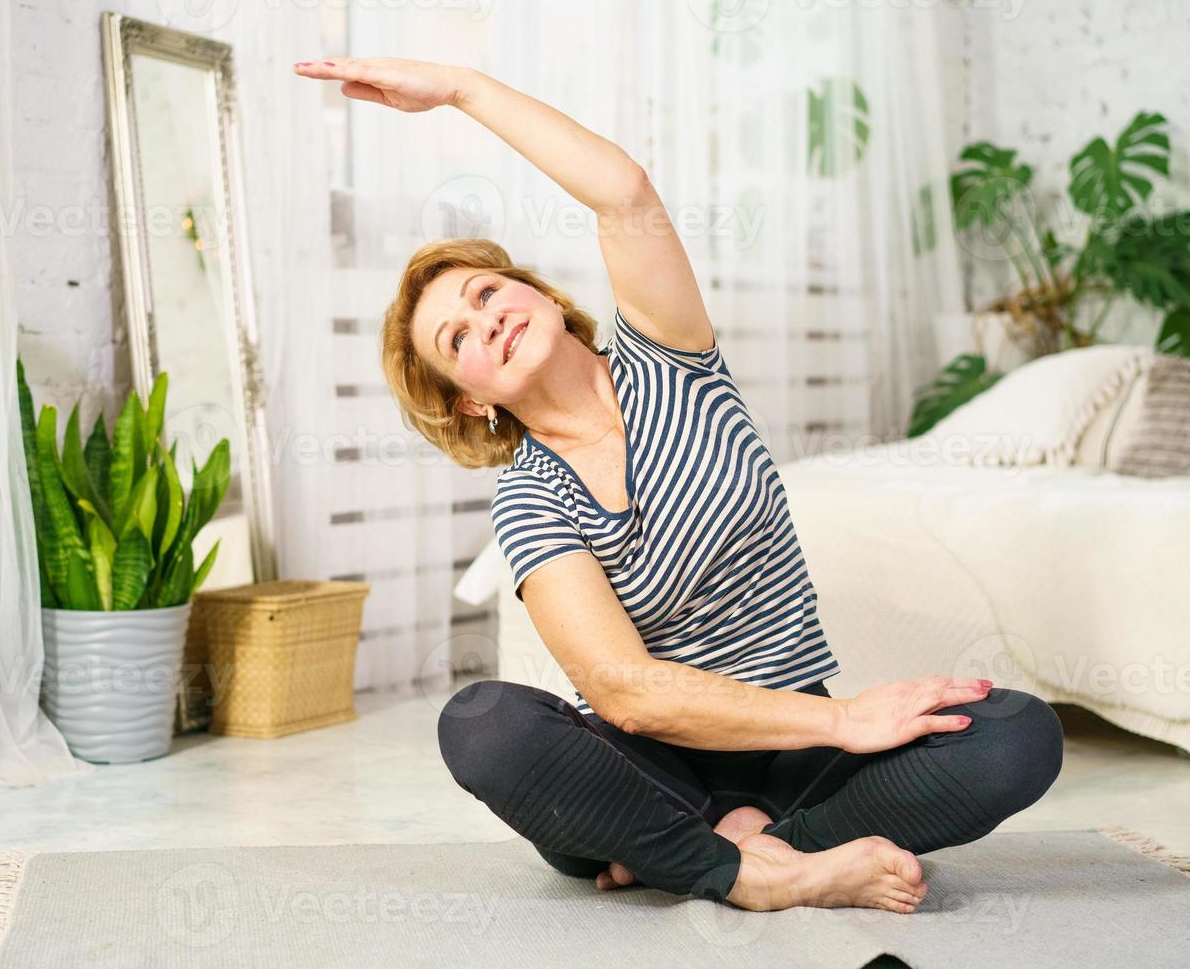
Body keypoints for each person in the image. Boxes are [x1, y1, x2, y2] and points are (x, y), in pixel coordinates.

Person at [294, 57, 1064, 913]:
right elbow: (624, 691)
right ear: (471, 398)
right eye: (458, 337)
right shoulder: (529, 497)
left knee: (1016, 738)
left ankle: (728, 854)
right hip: (648, 764)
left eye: (486, 292)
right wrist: (847, 720)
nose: (488, 318)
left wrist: (461, 90)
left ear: (538, 294)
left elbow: (622, 193)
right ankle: (765, 871)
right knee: (482, 725)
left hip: (789, 747)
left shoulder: (671, 357)